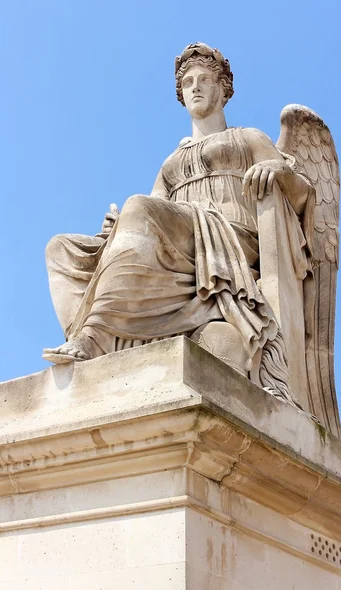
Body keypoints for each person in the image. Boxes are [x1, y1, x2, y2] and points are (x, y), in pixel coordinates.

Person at [43, 42, 312, 378]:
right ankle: (89, 336)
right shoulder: (171, 162)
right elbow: (151, 212)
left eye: (204, 80)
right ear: (181, 95)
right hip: (181, 243)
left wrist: (282, 172)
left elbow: (302, 201)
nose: (195, 87)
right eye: (187, 83)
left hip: (228, 239)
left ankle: (96, 336)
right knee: (61, 249)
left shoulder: (249, 138)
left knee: (138, 206)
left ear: (223, 88)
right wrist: (118, 228)